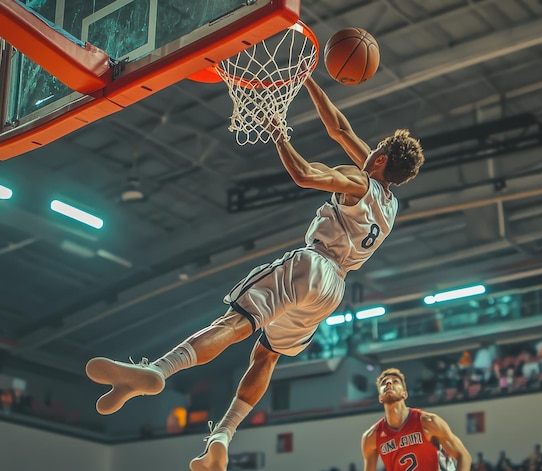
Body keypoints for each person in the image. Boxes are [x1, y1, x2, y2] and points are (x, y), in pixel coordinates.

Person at [85, 75, 425, 471]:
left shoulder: (357, 180)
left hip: (312, 264)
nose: (370, 148)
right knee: (266, 356)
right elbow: (340, 128)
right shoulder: (389, 204)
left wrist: (280, 134)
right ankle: (221, 438)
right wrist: (307, 79)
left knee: (238, 322)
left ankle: (157, 370)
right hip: (332, 291)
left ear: (380, 159)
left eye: (378, 148)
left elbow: (304, 175)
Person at [361, 368, 471, 471]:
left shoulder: (428, 422)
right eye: (384, 383)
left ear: (405, 394)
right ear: (380, 398)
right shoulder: (371, 437)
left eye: (395, 382)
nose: (388, 383)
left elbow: (464, 456)